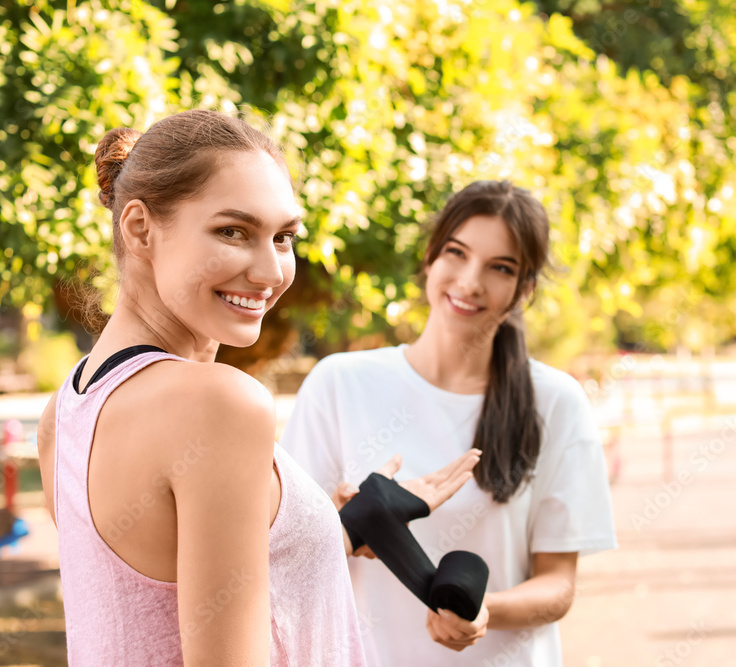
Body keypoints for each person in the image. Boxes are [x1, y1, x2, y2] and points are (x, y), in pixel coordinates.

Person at [34, 109, 479, 666]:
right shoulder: (219, 403)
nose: (271, 272)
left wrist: (345, 524)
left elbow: (159, 602)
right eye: (233, 231)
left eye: (285, 237)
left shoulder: (66, 412)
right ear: (140, 227)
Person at [281, 180, 618, 666]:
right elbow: (286, 558)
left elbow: (559, 584)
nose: (469, 282)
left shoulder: (557, 401)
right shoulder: (339, 384)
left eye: (500, 268)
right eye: (456, 254)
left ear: (524, 289)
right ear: (430, 259)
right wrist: (348, 526)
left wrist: (484, 612)